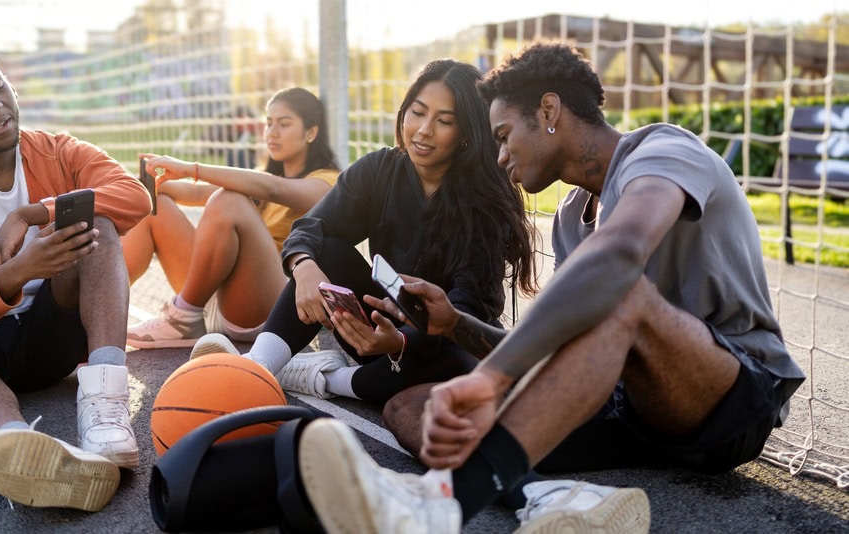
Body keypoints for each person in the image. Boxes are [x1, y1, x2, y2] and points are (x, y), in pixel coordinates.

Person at [294, 41, 806, 533]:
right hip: (630, 410)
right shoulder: (568, 219)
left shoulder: (663, 151)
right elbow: (564, 348)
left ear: (548, 111)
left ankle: (442, 504)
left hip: (731, 399)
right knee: (414, 408)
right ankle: (552, 497)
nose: (498, 157)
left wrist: (492, 378)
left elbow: (621, 257)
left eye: (502, 135)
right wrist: (456, 325)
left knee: (614, 291)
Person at [0, 32, 152, 512]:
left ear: (11, 86)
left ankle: (105, 411)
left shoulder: (58, 150)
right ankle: (22, 454)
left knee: (95, 222)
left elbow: (135, 195)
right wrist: (13, 275)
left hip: (49, 339)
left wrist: (34, 214)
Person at [205, 59, 535, 404]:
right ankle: (255, 368)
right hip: (377, 328)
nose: (423, 130)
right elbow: (311, 227)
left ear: (466, 133)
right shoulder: (379, 170)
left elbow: (467, 311)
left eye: (444, 121)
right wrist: (302, 267)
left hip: (441, 343)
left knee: (452, 368)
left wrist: (402, 341)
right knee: (326, 251)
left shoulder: (483, 200)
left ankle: (326, 376)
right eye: (417, 112)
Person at [124, 87, 340, 349]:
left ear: (311, 133)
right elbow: (195, 192)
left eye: (284, 124)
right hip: (214, 297)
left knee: (229, 200)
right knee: (153, 205)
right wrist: (151, 182)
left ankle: (182, 317)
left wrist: (192, 168)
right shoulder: (261, 178)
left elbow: (274, 188)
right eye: (268, 123)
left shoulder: (328, 183)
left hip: (265, 306)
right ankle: (101, 317)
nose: (271, 132)